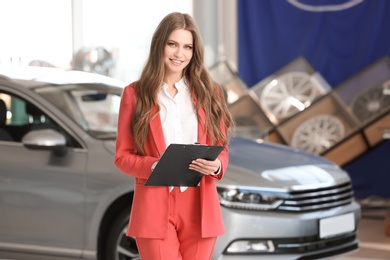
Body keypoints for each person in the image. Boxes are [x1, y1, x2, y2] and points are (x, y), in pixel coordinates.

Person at [114, 12, 234, 260]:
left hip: (200, 204)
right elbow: (122, 157)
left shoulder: (210, 93)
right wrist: (155, 165)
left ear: (194, 52)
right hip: (155, 205)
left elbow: (221, 147)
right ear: (160, 45)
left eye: (187, 47)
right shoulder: (134, 94)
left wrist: (216, 165)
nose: (180, 54)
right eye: (173, 44)